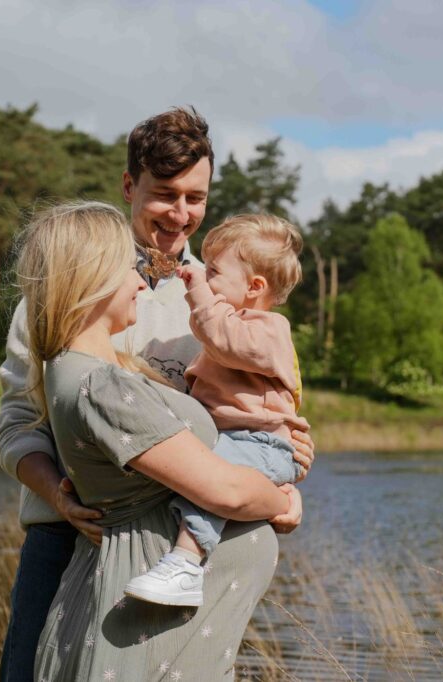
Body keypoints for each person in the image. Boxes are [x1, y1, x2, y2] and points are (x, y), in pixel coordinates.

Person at [0, 107, 314, 680]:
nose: (181, 213)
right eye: (166, 194)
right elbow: (17, 423)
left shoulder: (227, 301)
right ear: (128, 186)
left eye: (197, 197)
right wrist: (59, 495)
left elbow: (251, 416)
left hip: (172, 545)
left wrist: (282, 462)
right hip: (65, 535)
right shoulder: (63, 292)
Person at [124, 214, 309, 608]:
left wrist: (200, 296)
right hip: (240, 439)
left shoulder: (268, 328)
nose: (204, 278)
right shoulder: (237, 323)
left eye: (214, 272)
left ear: (255, 287)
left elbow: (225, 340)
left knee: (213, 479)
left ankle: (187, 563)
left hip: (259, 442)